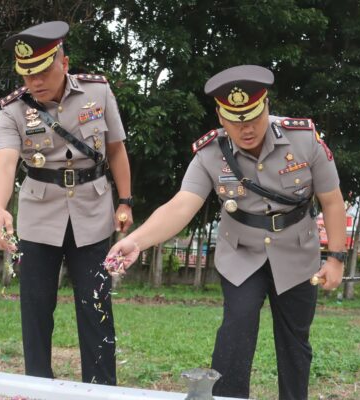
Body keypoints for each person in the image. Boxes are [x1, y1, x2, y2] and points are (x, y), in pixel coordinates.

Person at [107, 65, 347, 399]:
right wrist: (134, 240)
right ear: (221, 117)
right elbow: (181, 206)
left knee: (295, 342)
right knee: (236, 328)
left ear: (266, 106)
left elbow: (332, 201)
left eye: (252, 116)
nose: (245, 128)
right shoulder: (210, 154)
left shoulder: (304, 140)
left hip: (297, 253)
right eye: (235, 120)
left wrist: (335, 258)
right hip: (242, 254)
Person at [0, 21, 133, 386]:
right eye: (27, 73)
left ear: (63, 62)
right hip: (38, 218)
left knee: (96, 307)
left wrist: (126, 201)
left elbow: (116, 148)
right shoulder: (12, 112)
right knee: (36, 310)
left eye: (42, 70)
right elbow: (4, 164)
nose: (34, 81)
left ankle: (101, 390)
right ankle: (38, 386)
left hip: (94, 213)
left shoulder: (97, 93)